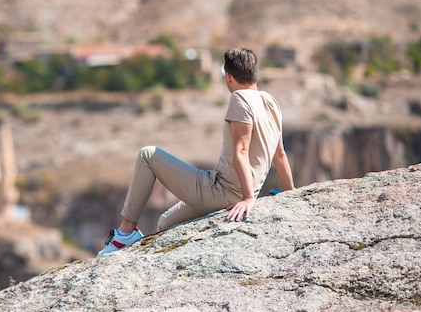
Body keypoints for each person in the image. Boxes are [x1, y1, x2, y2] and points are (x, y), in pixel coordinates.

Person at [98, 47, 294, 255]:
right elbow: (279, 153)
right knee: (165, 223)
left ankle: (125, 234)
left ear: (228, 76)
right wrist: (291, 194)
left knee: (148, 155)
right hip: (233, 191)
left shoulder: (239, 98)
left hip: (222, 191)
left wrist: (247, 199)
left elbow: (241, 150)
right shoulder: (270, 101)